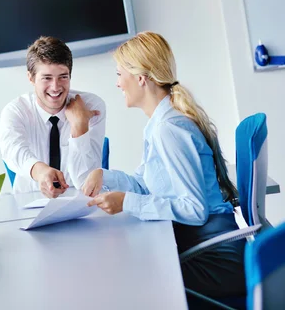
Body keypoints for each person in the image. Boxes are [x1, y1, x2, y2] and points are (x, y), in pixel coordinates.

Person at [83, 31, 245, 299]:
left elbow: (194, 210)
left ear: (141, 79)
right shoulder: (159, 124)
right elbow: (146, 183)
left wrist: (127, 203)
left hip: (214, 257)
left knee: (126, 280)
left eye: (119, 74)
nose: (118, 83)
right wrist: (103, 175)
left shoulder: (169, 129)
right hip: (199, 244)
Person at [0, 36, 106, 198]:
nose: (55, 87)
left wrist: (79, 126)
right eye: (47, 78)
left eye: (63, 76)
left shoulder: (91, 106)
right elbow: (13, 150)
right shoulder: (15, 111)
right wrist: (40, 171)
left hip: (78, 203)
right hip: (29, 204)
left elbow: (85, 180)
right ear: (31, 78)